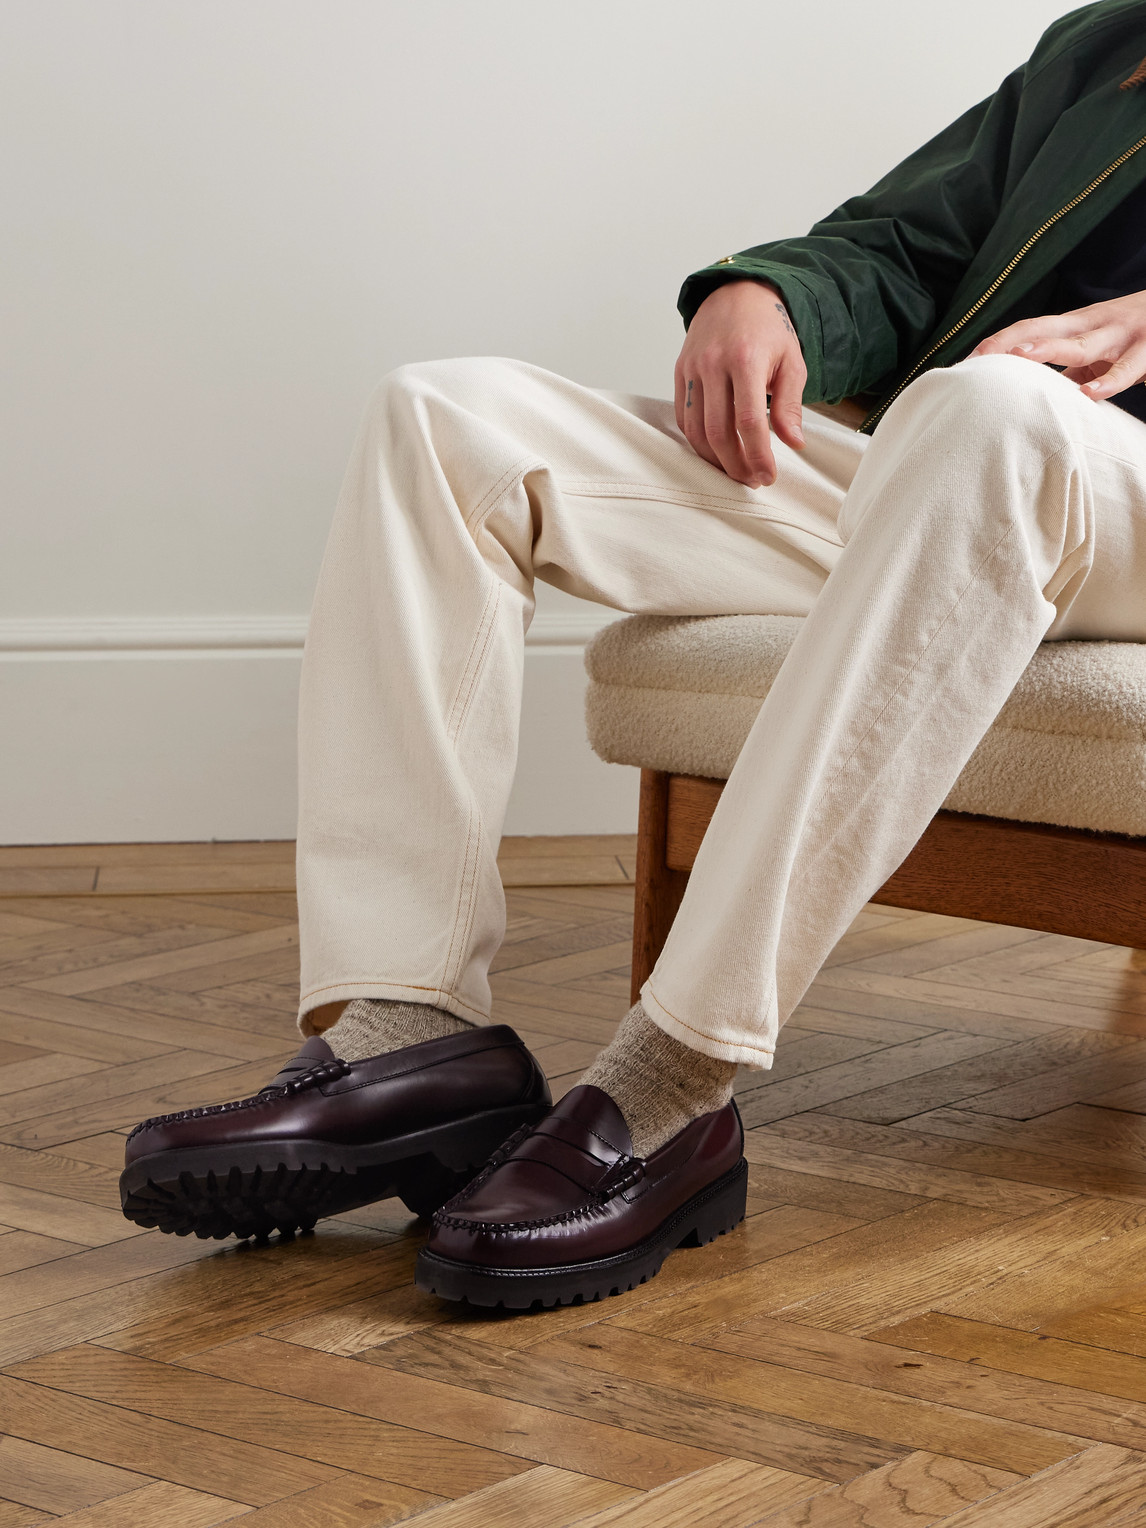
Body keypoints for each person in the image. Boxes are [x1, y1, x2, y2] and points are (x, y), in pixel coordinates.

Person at [121, 1, 1146, 1308]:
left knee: (995, 410)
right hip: (950, 484)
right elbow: (901, 242)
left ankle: (668, 1085)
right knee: (450, 423)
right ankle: (406, 1036)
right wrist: (763, 291)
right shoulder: (1104, 46)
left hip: (1058, 470)